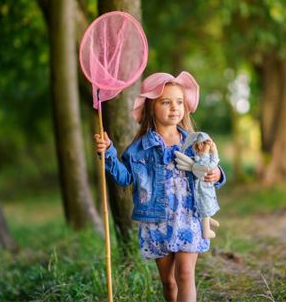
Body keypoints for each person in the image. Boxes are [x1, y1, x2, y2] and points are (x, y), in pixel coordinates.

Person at [94, 71, 226, 302]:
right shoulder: (139, 149)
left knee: (185, 274)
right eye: (166, 102)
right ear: (151, 108)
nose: (174, 108)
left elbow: (209, 166)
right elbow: (125, 178)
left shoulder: (194, 142)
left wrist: (216, 174)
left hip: (188, 215)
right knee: (169, 282)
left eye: (179, 102)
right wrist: (110, 154)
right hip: (156, 220)